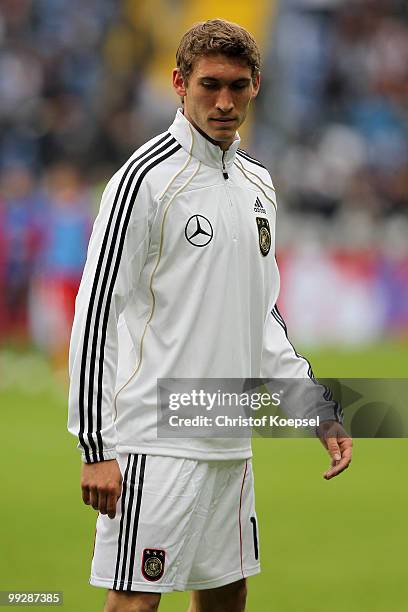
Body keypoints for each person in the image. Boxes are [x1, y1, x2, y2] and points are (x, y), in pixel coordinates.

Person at [68, 19, 352, 612]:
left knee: (227, 595)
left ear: (256, 87)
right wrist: (96, 446)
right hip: (156, 439)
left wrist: (314, 410)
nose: (224, 101)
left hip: (229, 434)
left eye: (238, 86)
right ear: (179, 83)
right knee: (135, 602)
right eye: (210, 85)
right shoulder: (144, 181)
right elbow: (97, 313)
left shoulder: (259, 184)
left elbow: (262, 317)